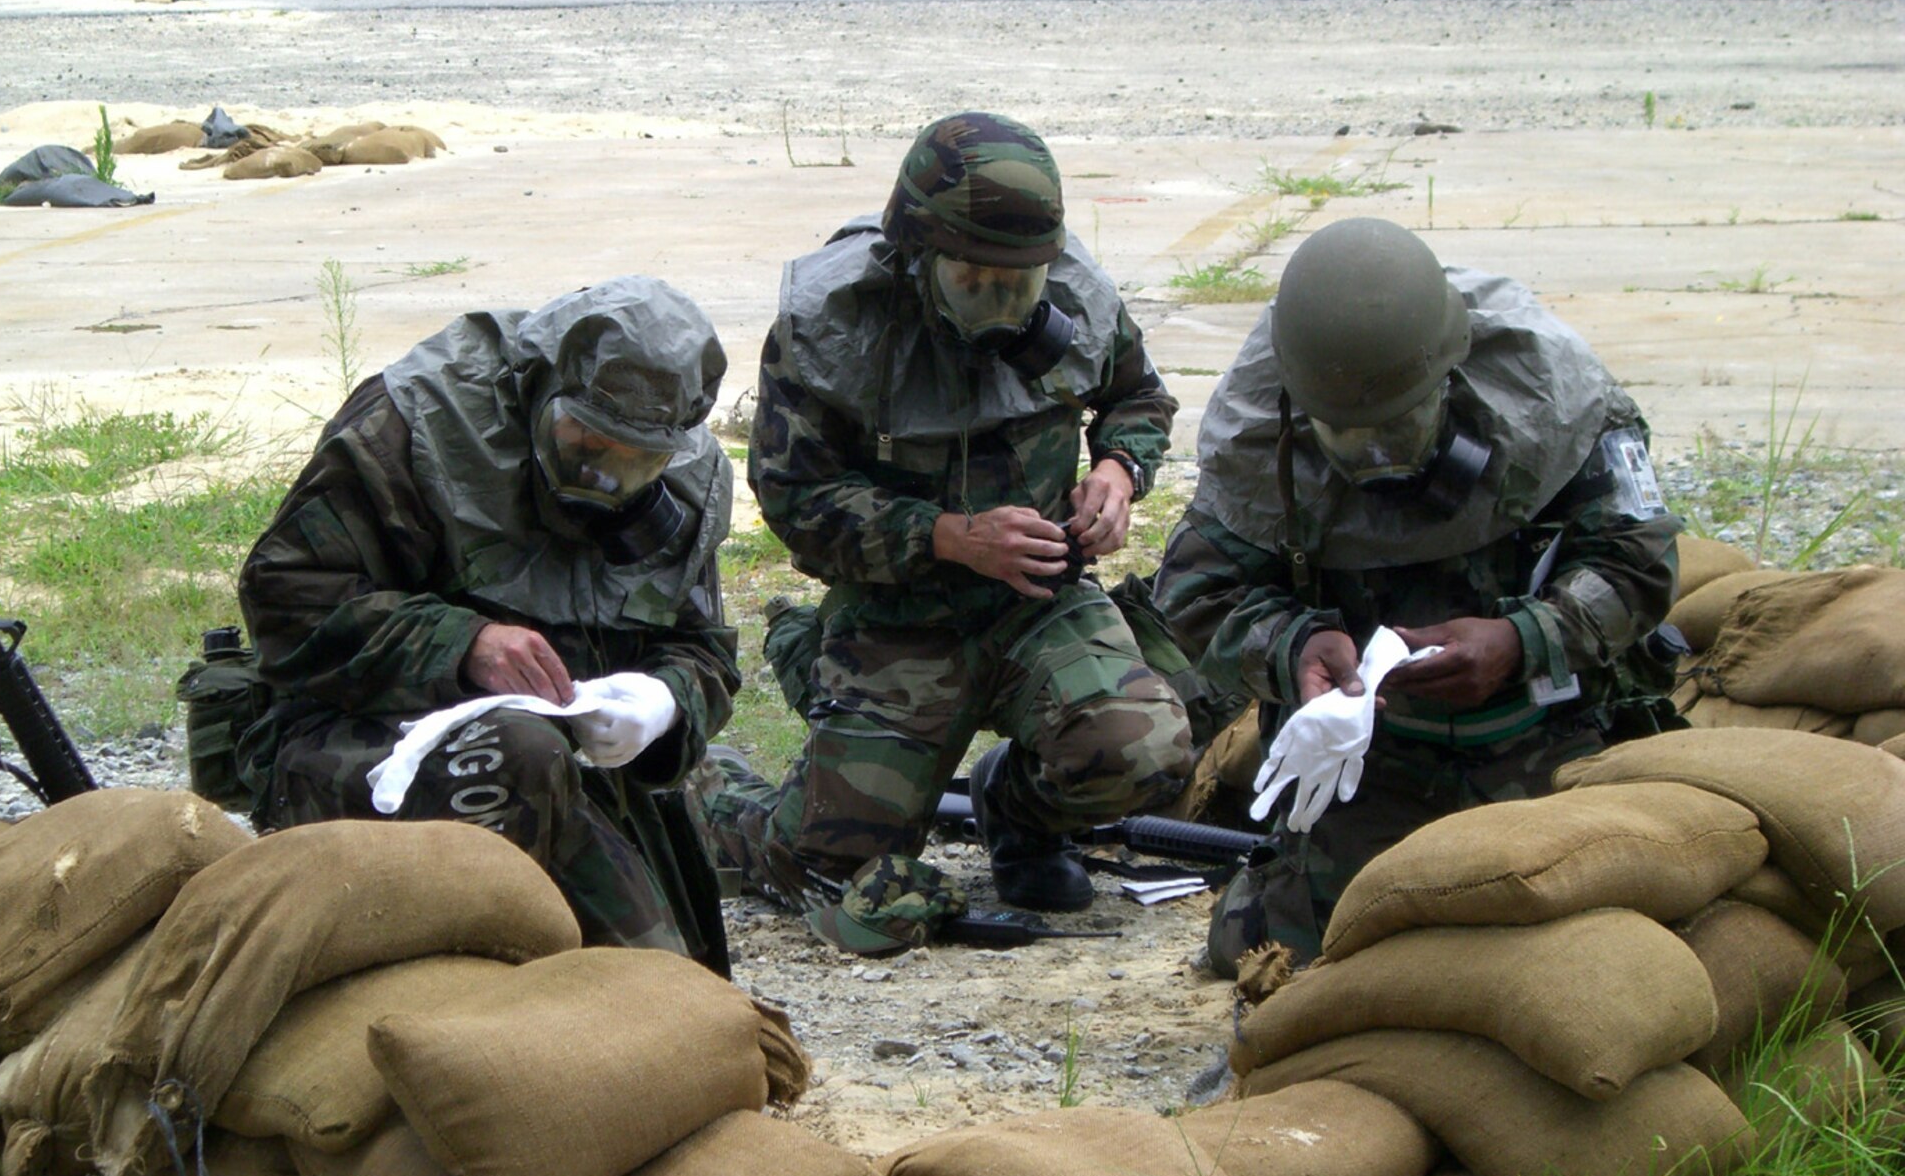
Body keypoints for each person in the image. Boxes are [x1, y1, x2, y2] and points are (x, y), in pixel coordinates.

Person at [691, 111, 1195, 919]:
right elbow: (796, 499)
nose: (1002, 306)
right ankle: (712, 776)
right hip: (900, 614)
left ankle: (1020, 814)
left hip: (1037, 603)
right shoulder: (833, 326)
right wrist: (947, 536)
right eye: (975, 283)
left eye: (1018, 285)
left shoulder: (1074, 299)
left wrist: (1118, 470)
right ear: (918, 254)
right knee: (826, 868)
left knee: (1145, 752)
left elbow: (1137, 395)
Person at [1154, 218, 1682, 963]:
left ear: (1449, 377)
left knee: (1594, 941)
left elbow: (1640, 560)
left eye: (1398, 429)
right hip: (1369, 760)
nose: (1376, 457)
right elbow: (1196, 591)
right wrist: (1296, 647)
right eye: (1349, 434)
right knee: (1308, 952)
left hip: (1546, 732)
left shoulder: (1552, 396)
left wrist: (1526, 639)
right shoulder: (1256, 434)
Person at [236, 277, 740, 967]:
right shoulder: (416, 424)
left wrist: (662, 705)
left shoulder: (685, 480)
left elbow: (703, 650)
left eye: (634, 463)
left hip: (565, 773)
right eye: (583, 444)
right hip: (359, 735)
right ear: (539, 388)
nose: (601, 480)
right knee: (516, 757)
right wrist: (463, 644)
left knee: (679, 1001)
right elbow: (284, 597)